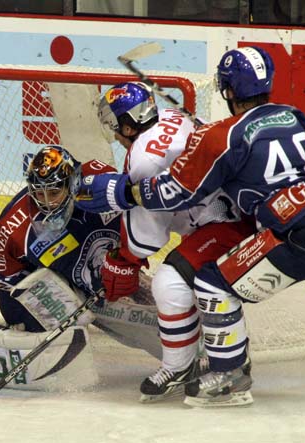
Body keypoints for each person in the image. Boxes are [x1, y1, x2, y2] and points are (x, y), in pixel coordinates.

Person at [75, 46, 305, 407]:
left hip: (296, 235)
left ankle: (229, 376)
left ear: (228, 91)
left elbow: (176, 191)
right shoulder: (292, 116)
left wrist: (121, 190)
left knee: (213, 284)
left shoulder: (224, 136)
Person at [0, 145, 161, 388]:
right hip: (61, 287)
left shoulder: (101, 184)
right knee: (61, 326)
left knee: (156, 320)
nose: (47, 203)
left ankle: (179, 361)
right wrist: (47, 294)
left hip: (112, 276)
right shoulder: (16, 226)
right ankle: (11, 335)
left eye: (53, 192)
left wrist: (128, 260)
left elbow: (142, 217)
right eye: (39, 193)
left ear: (73, 183)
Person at [96, 82, 255, 402]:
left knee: (170, 282)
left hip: (227, 224)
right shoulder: (173, 115)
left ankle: (189, 367)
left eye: (115, 127)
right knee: (195, 284)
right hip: (243, 210)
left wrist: (125, 259)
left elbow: (147, 238)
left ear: (127, 126)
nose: (115, 136)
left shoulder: (142, 158)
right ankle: (227, 356)